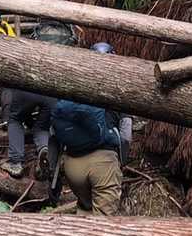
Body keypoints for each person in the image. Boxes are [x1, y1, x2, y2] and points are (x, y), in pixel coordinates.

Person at [49, 41, 132, 215]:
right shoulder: (118, 89)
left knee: (85, 211)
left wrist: (53, 171)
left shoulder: (73, 86)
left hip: (72, 165)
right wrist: (122, 161)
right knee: (103, 222)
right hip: (103, 163)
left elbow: (54, 132)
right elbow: (126, 134)